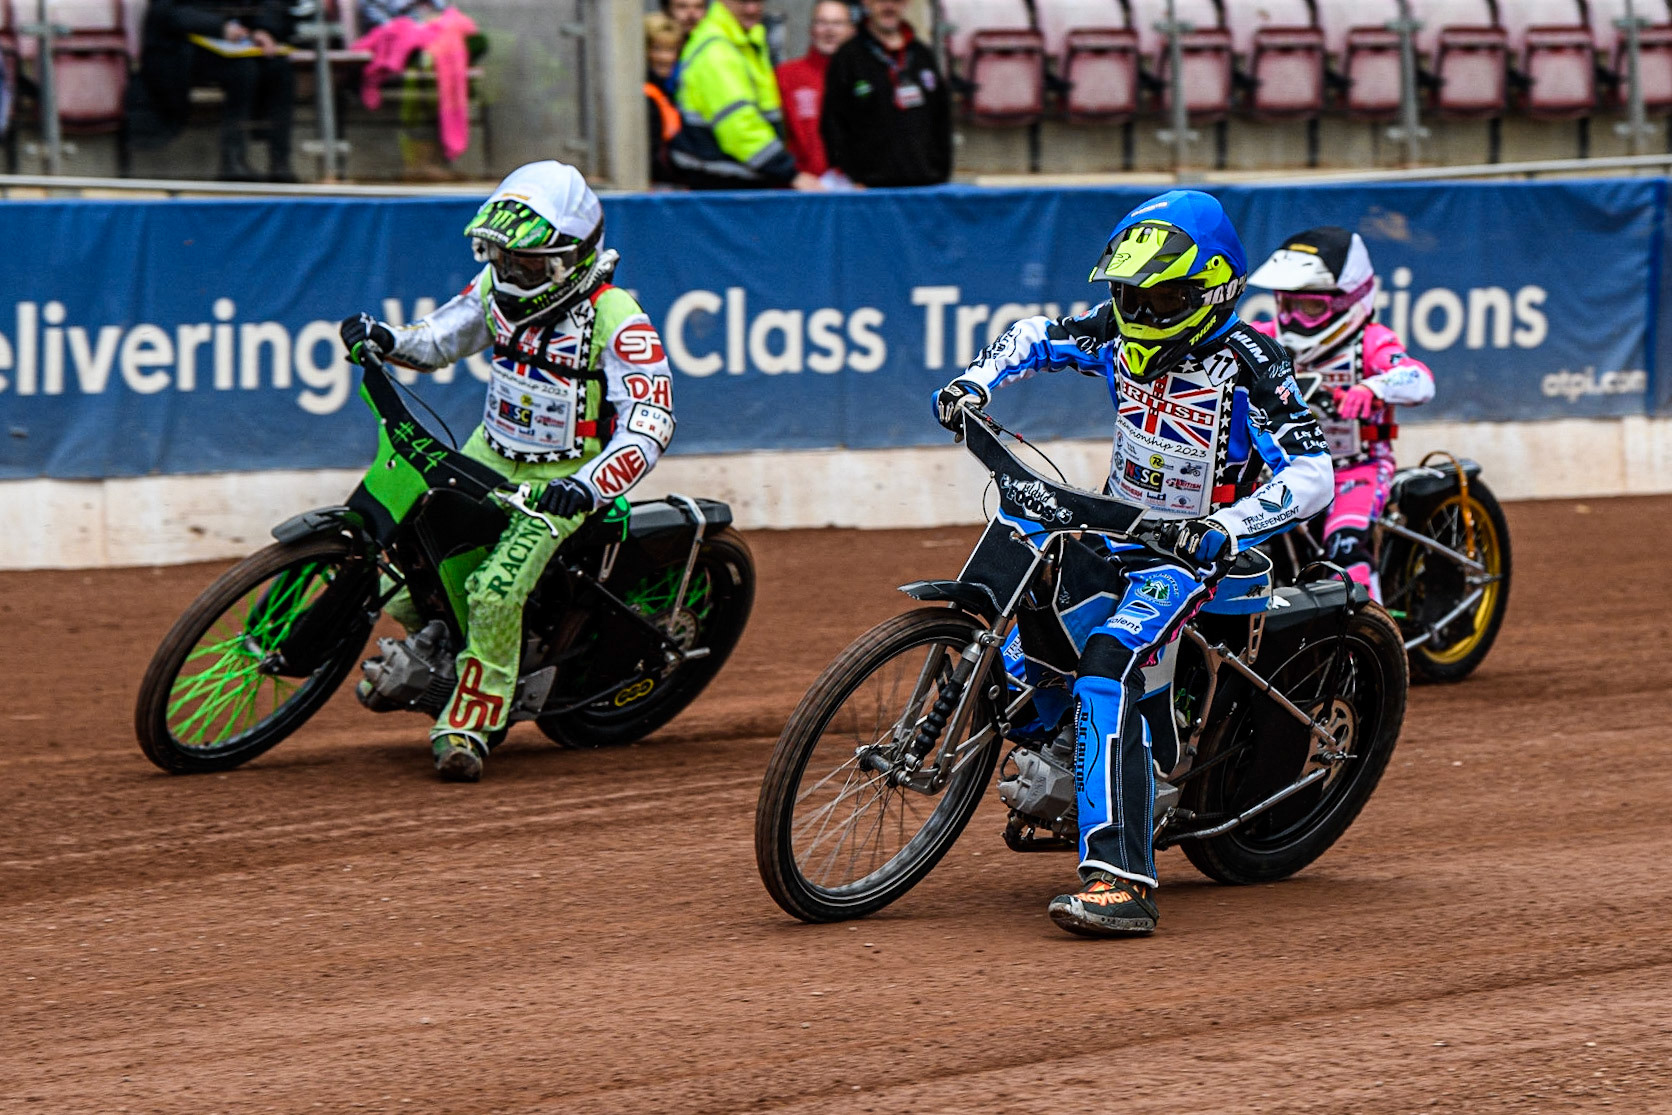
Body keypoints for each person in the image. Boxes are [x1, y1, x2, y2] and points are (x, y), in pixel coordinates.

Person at [932, 190, 1333, 937]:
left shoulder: (1250, 362)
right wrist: (975, 383)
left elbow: (1313, 474)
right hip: (1115, 528)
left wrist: (1225, 525)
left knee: (1107, 663)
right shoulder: (1115, 332)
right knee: (1030, 616)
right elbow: (1033, 335)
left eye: (1162, 298)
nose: (1141, 314)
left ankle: (1122, 878)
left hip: (1191, 555)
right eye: (1128, 297)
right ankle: (1071, 754)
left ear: (1213, 288)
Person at [338, 161, 677, 782]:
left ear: (571, 258)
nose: (509, 272)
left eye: (526, 262)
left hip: (564, 477)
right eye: (500, 256)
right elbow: (437, 338)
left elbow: (651, 419)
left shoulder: (616, 316)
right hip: (488, 450)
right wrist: (385, 337)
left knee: (495, 590)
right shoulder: (495, 290)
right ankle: (445, 644)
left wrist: (587, 486)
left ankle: (473, 720)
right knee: (409, 549)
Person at [1247, 227, 1435, 602]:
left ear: (1349, 300)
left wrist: (1373, 388)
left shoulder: (1371, 341)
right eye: (1286, 305)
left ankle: (1374, 646)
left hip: (1355, 469)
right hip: (1283, 471)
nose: (1295, 318)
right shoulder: (1262, 336)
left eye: (1311, 306)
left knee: (1347, 551)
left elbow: (1420, 379)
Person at [130, 0, 297, 181]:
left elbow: (267, 5)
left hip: (237, 44)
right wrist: (219, 27)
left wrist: (263, 29)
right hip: (182, 50)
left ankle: (280, 163)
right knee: (244, 70)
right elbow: (167, 12)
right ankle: (233, 161)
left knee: (280, 67)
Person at [668, 0, 819, 190]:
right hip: (722, 186)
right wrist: (789, 172)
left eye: (758, 1)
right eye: (743, 2)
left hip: (740, 180)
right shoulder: (716, 50)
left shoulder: (746, 39)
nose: (752, 8)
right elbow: (738, 125)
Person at [821, 0, 951, 188]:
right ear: (867, 3)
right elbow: (832, 124)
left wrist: (939, 174)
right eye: (881, 0)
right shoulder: (848, 57)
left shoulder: (922, 55)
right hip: (870, 190)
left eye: (896, 1)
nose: (889, 6)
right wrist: (851, 177)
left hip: (924, 185)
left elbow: (941, 120)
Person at [774, 0, 853, 181]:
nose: (829, 30)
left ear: (851, 31)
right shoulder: (786, 75)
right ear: (811, 29)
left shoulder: (863, 77)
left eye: (837, 23)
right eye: (822, 22)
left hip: (854, 187)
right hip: (803, 187)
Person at [644, 13, 683, 184]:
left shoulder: (669, 91)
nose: (665, 57)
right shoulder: (645, 95)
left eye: (671, 49)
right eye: (657, 49)